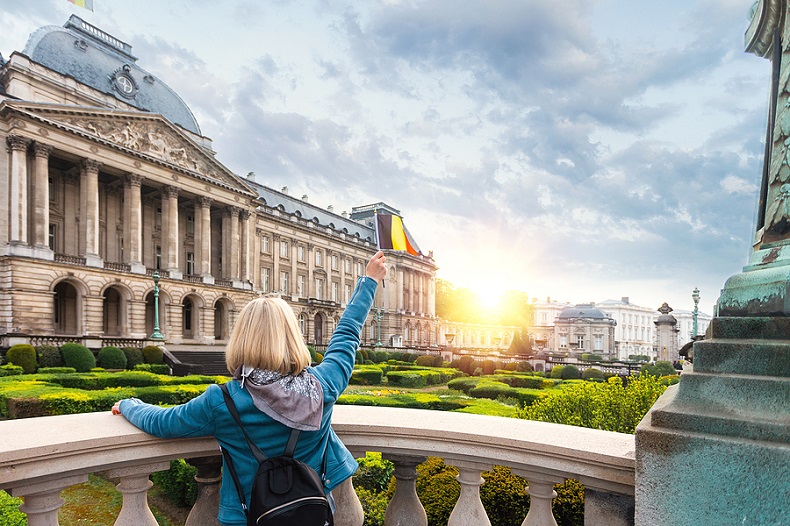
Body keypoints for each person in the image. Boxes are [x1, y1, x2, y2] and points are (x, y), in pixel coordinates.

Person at [112, 251, 387, 526]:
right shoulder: (322, 385)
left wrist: (128, 405)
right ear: (293, 337)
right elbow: (347, 332)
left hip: (245, 518)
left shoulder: (222, 400)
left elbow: (163, 423)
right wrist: (369, 281)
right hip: (312, 513)